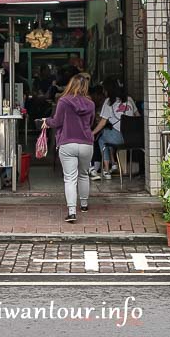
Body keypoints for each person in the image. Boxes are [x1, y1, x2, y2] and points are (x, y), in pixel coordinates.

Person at [43, 72, 97, 223]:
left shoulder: (63, 101)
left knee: (70, 178)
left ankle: (72, 212)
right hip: (86, 143)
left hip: (67, 143)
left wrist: (46, 121)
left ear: (70, 84)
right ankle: (84, 205)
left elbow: (57, 121)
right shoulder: (91, 104)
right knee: (84, 174)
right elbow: (91, 122)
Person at [91, 80, 140, 180]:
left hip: (119, 138)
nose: (103, 91)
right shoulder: (129, 99)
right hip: (134, 138)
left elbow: (102, 122)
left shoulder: (109, 102)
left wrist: (92, 133)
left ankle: (107, 170)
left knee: (101, 138)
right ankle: (113, 163)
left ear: (108, 89)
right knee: (108, 133)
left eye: (104, 89)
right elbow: (138, 116)